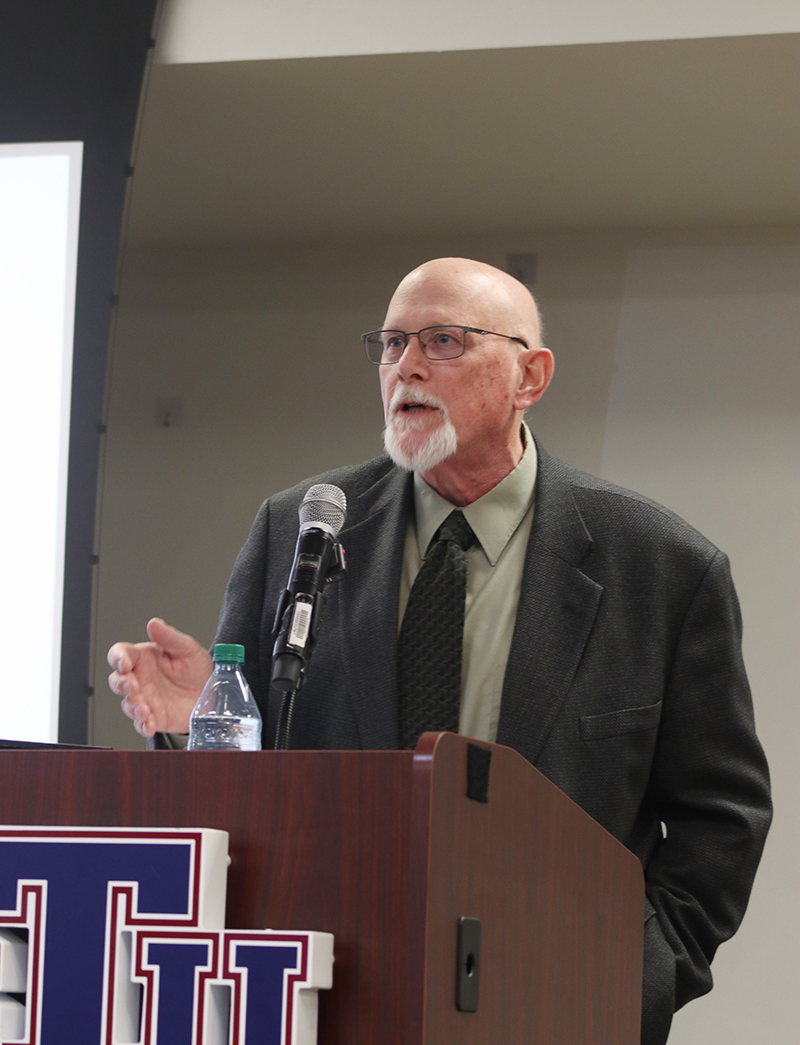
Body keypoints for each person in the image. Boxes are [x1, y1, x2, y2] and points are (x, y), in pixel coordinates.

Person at [108, 257, 771, 1045]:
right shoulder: (301, 530)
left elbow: (721, 817)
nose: (407, 366)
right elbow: (249, 793)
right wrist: (201, 731)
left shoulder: (661, 566)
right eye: (390, 344)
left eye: (444, 341)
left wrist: (639, 978)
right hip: (328, 995)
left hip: (554, 1003)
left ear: (531, 375)